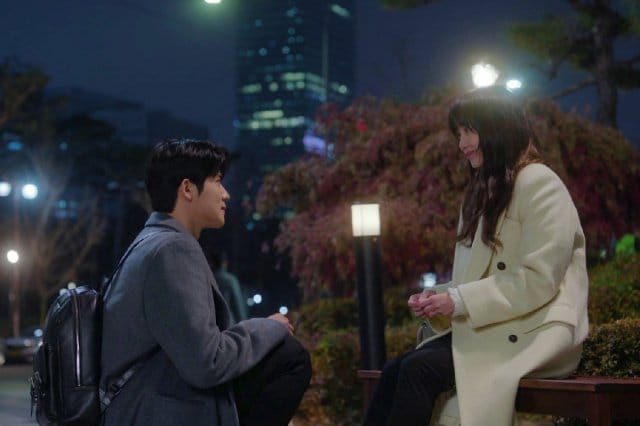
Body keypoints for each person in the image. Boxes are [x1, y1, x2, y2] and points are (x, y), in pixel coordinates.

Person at [363, 87, 589, 426]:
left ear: (498, 128)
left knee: (417, 369)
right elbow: (473, 281)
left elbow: (538, 280)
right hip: (496, 325)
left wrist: (457, 300)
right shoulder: (484, 192)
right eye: (459, 134)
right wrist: (437, 298)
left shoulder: (541, 184)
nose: (462, 144)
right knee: (397, 369)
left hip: (536, 328)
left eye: (469, 131)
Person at [101, 139, 311, 426]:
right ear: (187, 189)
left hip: (138, 402)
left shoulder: (150, 242)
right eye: (217, 181)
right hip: (150, 410)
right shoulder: (172, 249)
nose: (226, 194)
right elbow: (206, 363)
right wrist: (268, 328)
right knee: (289, 357)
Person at [208, 250, 248, 324]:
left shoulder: (208, 279)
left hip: (211, 322)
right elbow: (237, 304)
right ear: (225, 263)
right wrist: (244, 323)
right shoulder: (230, 280)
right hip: (228, 322)